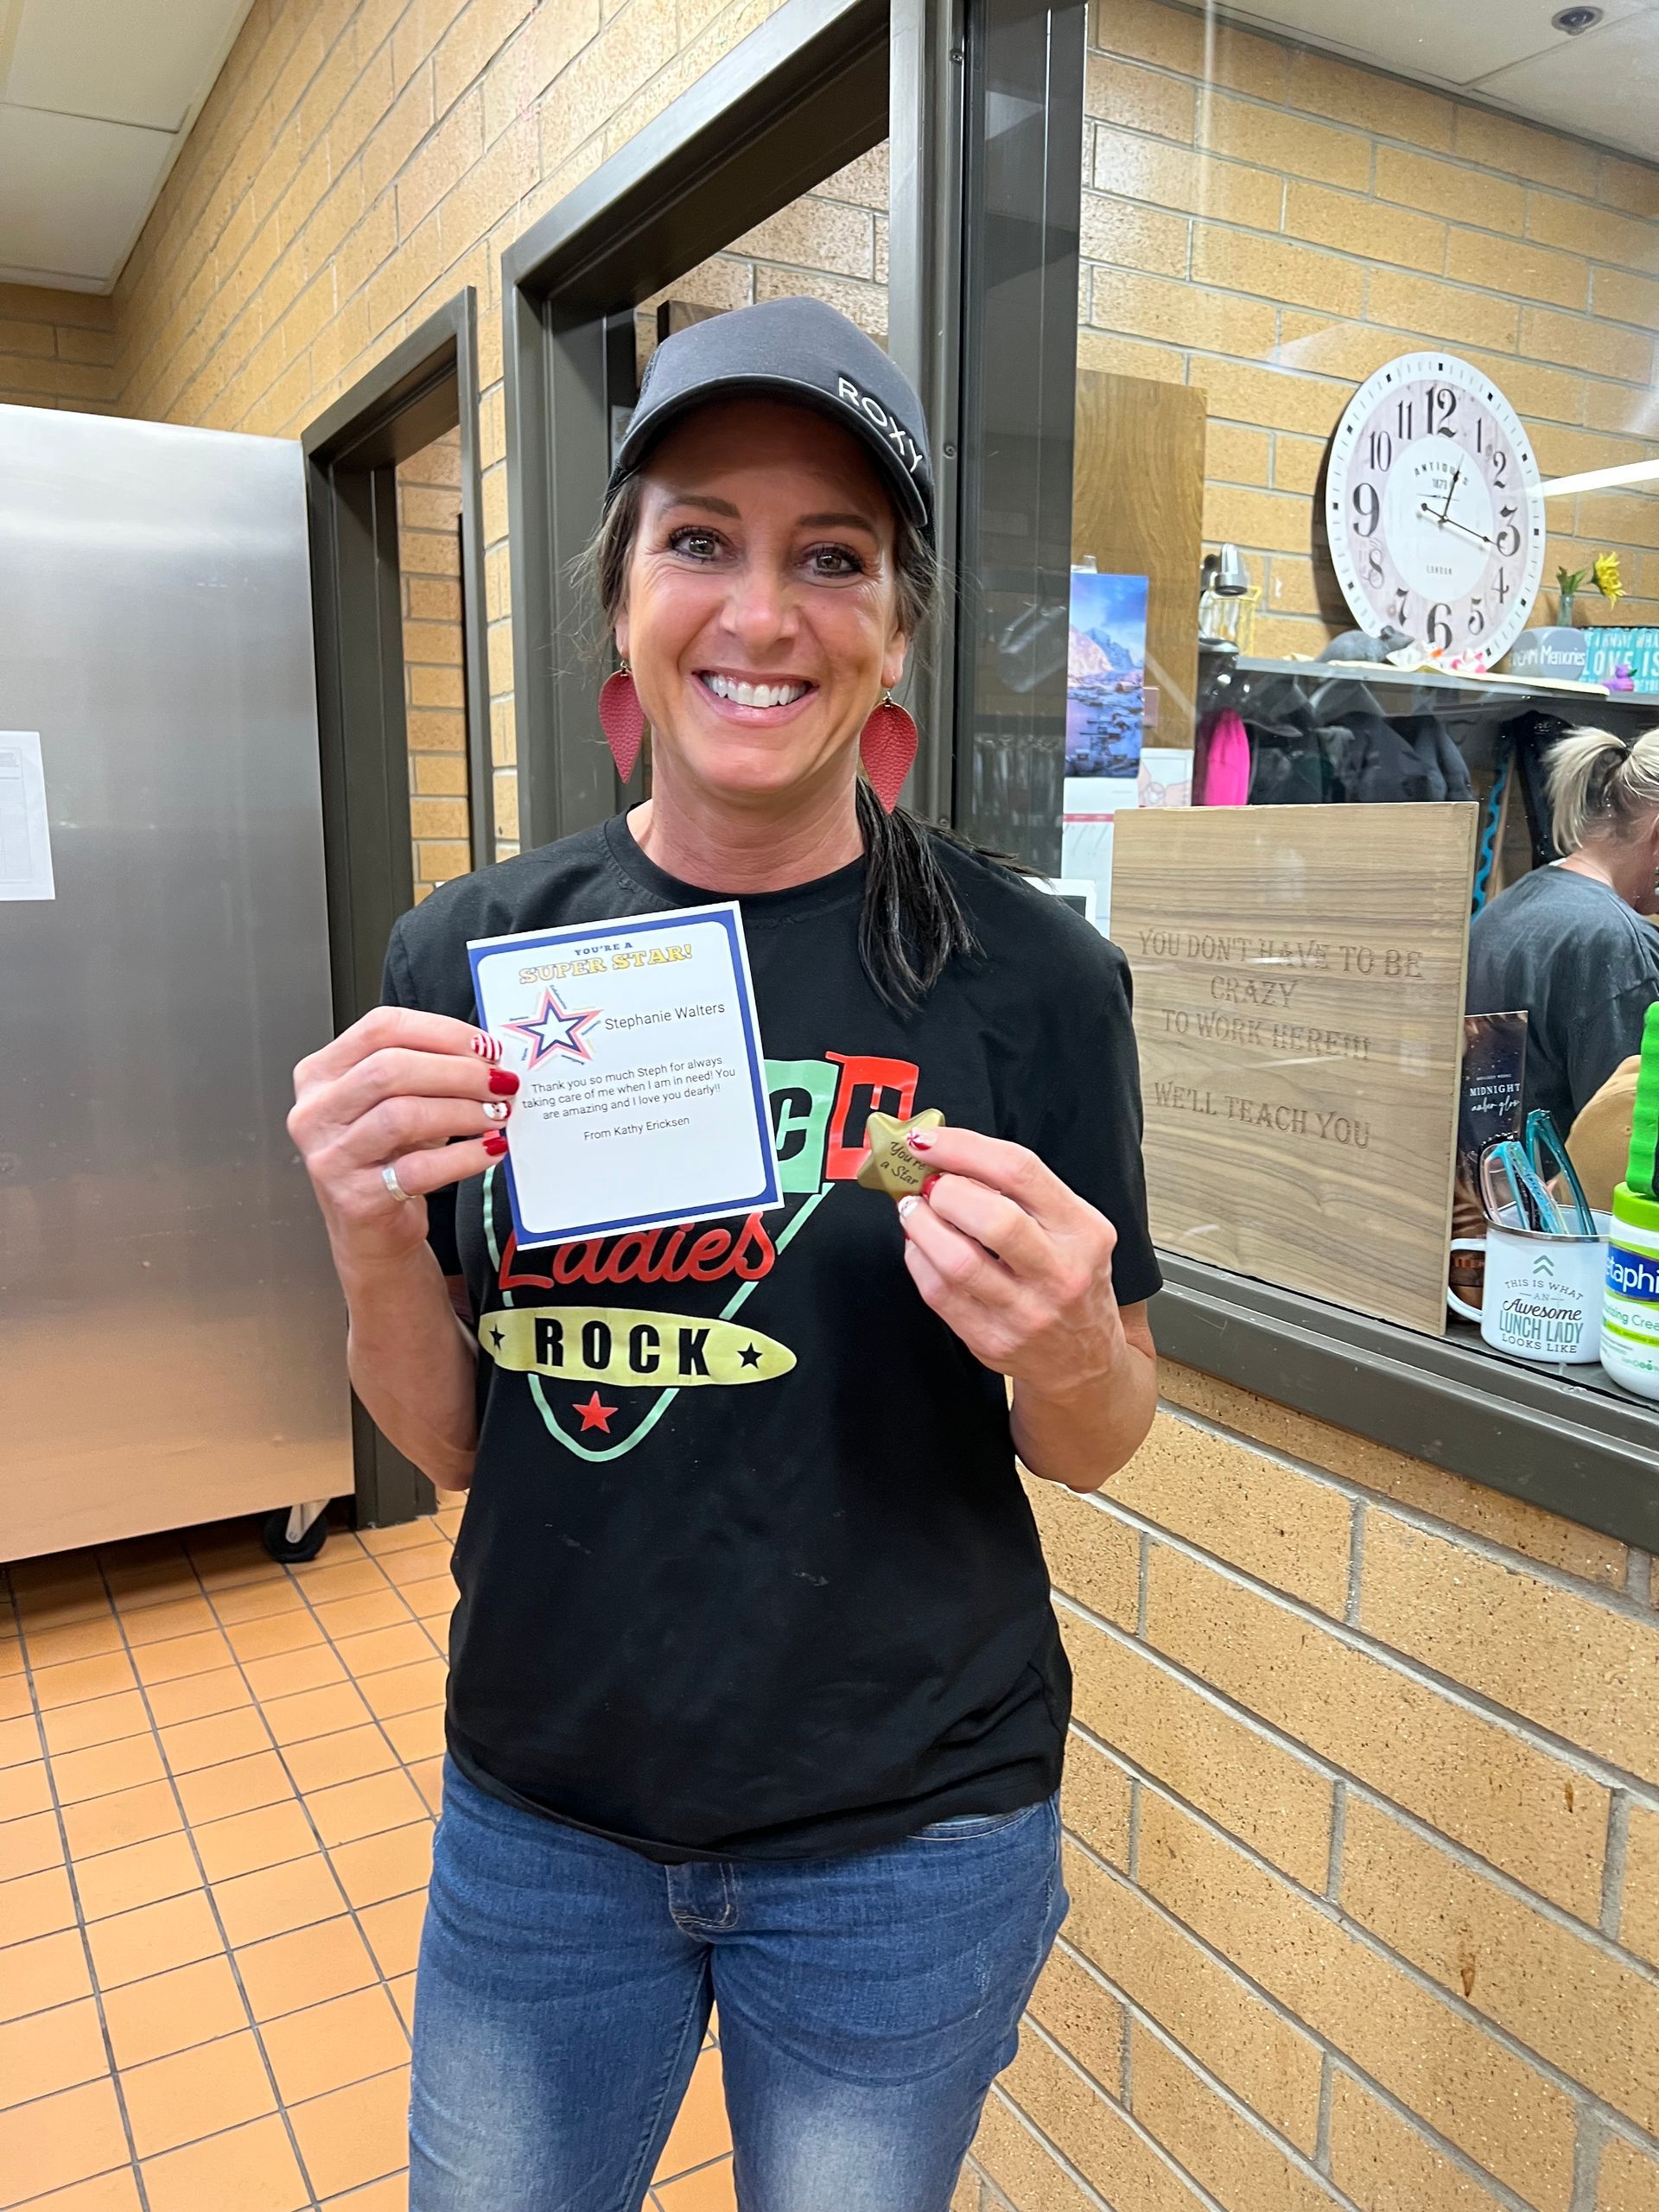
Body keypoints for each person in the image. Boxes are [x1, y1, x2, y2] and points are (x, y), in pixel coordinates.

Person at [288, 296, 1160, 2212]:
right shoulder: (476, 963)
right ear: (621, 597)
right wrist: (366, 1226)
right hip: (546, 1818)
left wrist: (1072, 1337)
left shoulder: (1035, 982)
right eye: (702, 541)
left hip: (908, 1837)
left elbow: (1090, 1440)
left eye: (832, 558)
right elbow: (452, 1442)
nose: (763, 617)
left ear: (897, 626)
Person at [1467, 726, 1659, 1132]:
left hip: (1490, 1187)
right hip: (1561, 1195)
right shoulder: (1618, 943)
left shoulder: (1513, 903)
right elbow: (1627, 1136)